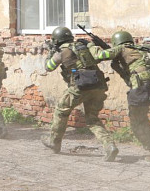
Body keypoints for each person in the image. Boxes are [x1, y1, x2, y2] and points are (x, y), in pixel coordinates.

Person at [90, 30, 150, 162]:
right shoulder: (140, 48)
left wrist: (90, 46)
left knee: (137, 121)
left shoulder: (122, 48)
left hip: (143, 88)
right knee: (140, 116)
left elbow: (100, 55)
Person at [42, 26, 118, 161]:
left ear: (57, 40)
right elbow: (98, 57)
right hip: (98, 86)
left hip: (79, 87)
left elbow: (48, 67)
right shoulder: (84, 46)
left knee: (61, 111)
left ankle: (54, 142)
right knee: (92, 119)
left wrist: (50, 52)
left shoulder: (61, 52)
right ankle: (110, 146)